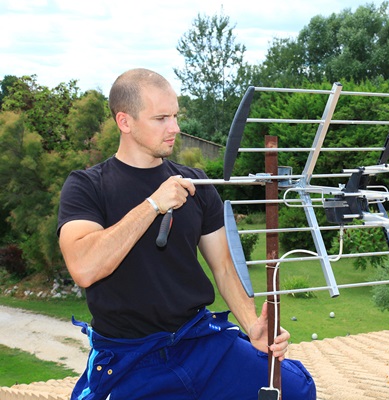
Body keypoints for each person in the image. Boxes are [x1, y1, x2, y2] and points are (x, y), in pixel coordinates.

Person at [57, 68, 316, 399]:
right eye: (161, 118)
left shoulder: (196, 184)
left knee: (295, 389)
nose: (175, 128)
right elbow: (85, 268)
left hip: (198, 341)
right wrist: (153, 205)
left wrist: (252, 325)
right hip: (130, 357)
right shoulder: (87, 186)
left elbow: (223, 267)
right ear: (125, 122)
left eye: (175, 116)